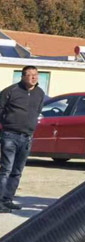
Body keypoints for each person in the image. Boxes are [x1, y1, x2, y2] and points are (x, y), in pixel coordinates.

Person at [0, 66, 44, 212]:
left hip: (27, 137)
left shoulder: (39, 93)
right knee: (6, 169)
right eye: (30, 75)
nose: (34, 78)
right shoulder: (10, 91)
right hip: (10, 136)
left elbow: (38, 110)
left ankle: (8, 199)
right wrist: (7, 123)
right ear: (23, 77)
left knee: (17, 171)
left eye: (36, 75)